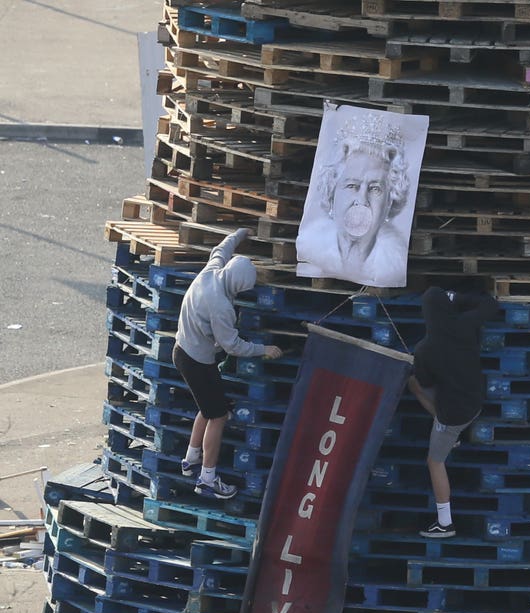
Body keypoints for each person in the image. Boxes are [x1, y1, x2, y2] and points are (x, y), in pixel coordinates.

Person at [172, 227, 282, 500]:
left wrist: (240, 233)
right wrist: (263, 349)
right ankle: (208, 478)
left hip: (183, 350)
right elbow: (232, 345)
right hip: (196, 360)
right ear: (238, 285)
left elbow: (222, 248)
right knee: (218, 416)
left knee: (207, 407)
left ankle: (191, 458)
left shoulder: (212, 271)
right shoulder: (221, 306)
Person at [408, 286, 500, 537]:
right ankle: (451, 435)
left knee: (434, 461)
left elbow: (425, 383)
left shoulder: (424, 349)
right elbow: (491, 304)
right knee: (425, 390)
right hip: (475, 399)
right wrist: (459, 296)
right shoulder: (464, 324)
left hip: (453, 414)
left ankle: (445, 523)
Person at [296, 115, 411, 287]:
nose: (361, 200)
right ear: (332, 192)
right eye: (352, 186)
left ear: (389, 202)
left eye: (375, 188)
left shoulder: (393, 264)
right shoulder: (311, 249)